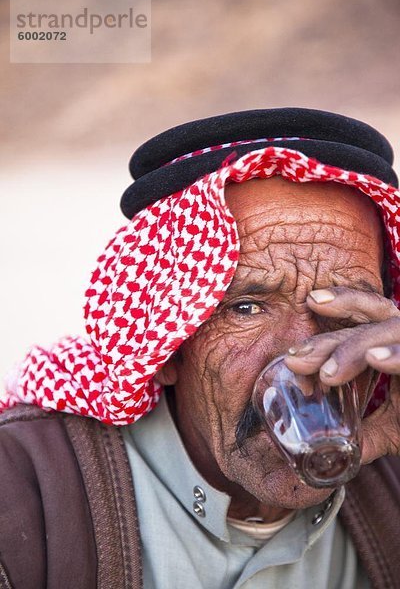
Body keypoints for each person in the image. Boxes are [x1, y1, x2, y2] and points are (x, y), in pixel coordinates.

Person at [1, 108, 400, 589]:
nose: (307, 357)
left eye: (347, 315)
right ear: (168, 346)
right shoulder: (21, 491)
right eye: (247, 309)